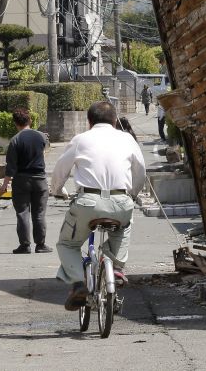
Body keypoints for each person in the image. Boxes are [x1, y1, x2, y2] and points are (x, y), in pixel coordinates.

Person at [51, 101, 146, 310]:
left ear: (89, 121)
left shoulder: (80, 139)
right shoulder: (127, 139)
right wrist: (131, 195)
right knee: (124, 225)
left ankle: (78, 283)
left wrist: (58, 191)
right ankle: (117, 267)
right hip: (121, 202)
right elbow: (141, 173)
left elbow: (60, 171)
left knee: (67, 244)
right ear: (114, 121)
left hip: (87, 203)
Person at [1, 108, 52, 254]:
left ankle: (25, 245)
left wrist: (5, 185)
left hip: (21, 180)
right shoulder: (41, 136)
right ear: (30, 120)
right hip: (40, 180)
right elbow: (45, 149)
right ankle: (41, 245)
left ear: (15, 123)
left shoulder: (15, 140)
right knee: (39, 213)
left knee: (22, 213)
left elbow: (10, 167)